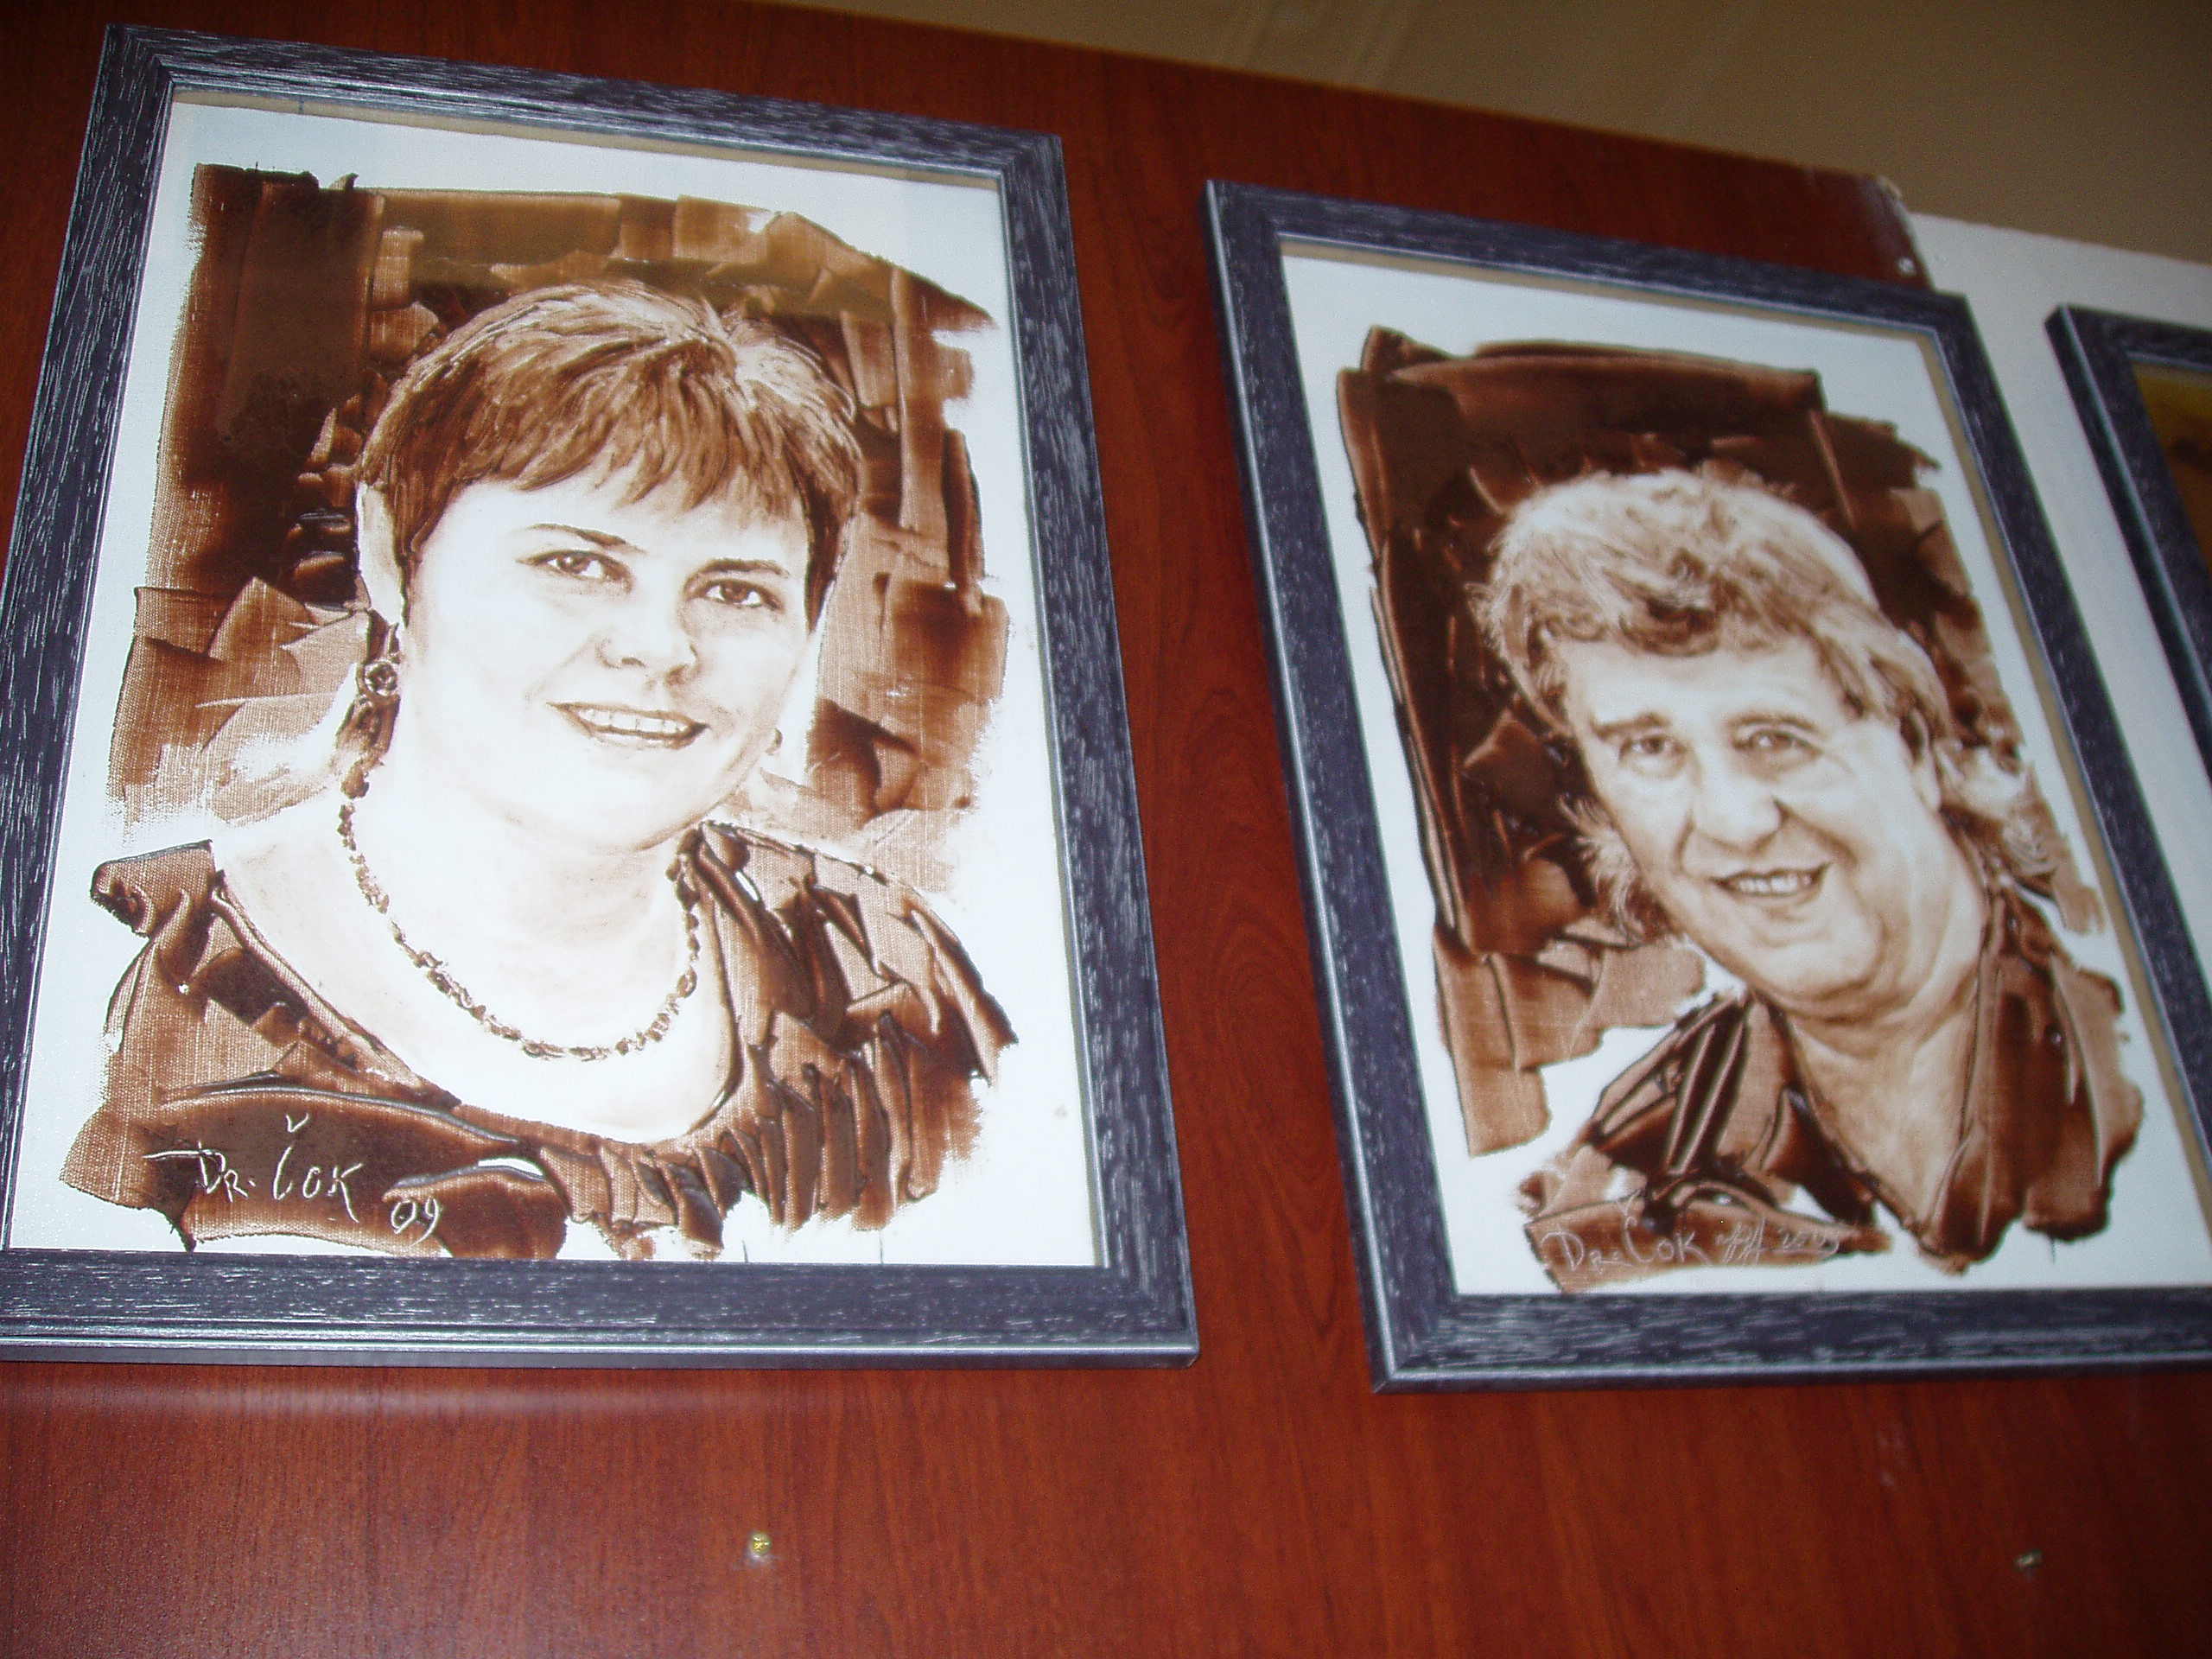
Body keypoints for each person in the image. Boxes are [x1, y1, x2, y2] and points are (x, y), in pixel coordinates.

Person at [62, 280, 1012, 1261]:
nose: (660, 647)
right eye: (577, 564)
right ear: (390, 558)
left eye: (735, 591)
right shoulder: (147, 1001)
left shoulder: (886, 982)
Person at [1478, 469, 2139, 1290]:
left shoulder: (2131, 1036)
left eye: (1774, 737)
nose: (1733, 820)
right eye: (1650, 748)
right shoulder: (1629, 1173)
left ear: (1914, 744)